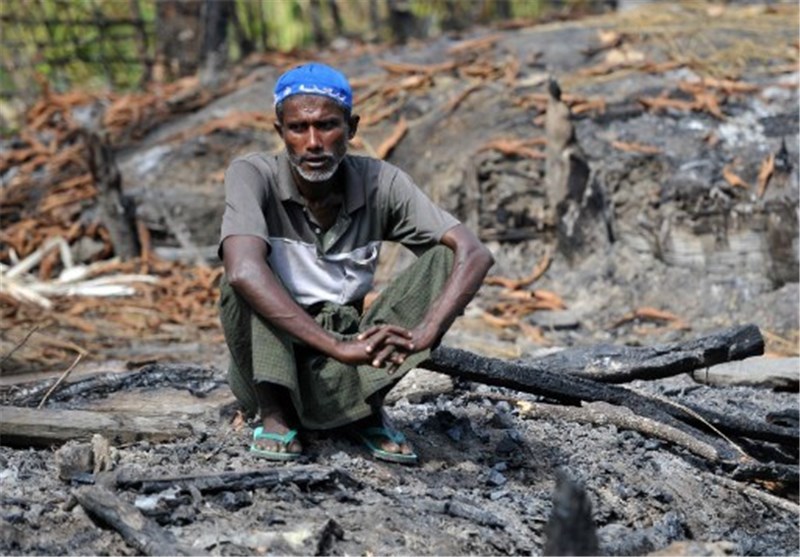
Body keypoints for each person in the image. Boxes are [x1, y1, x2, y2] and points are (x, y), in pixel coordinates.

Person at [218, 62, 494, 464]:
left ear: (352, 128)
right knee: (245, 275)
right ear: (281, 133)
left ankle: (364, 408)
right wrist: (336, 347)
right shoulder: (251, 174)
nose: (313, 142)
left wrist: (424, 335)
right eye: (298, 128)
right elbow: (243, 270)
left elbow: (475, 253)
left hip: (354, 352)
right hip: (270, 363)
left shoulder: (381, 181)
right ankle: (275, 414)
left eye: (328, 125)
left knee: (448, 258)